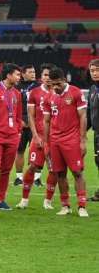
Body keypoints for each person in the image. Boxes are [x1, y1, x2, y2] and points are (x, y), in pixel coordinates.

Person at [43, 67, 89, 217]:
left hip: (72, 140)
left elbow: (83, 117)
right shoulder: (50, 97)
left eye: (58, 84)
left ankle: (82, 206)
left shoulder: (76, 92)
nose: (55, 88)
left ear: (64, 80)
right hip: (55, 140)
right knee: (59, 174)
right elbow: (47, 121)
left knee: (77, 172)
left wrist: (82, 140)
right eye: (52, 85)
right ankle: (65, 206)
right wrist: (46, 142)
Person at [16, 64, 57, 209]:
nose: (48, 78)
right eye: (45, 75)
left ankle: (48, 201)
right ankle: (24, 200)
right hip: (38, 136)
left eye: (50, 75)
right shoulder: (34, 93)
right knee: (32, 166)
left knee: (54, 170)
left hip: (55, 138)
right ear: (41, 77)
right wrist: (35, 135)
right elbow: (31, 117)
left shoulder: (59, 93)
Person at [0, 63, 23, 210]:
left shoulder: (17, 93)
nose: (19, 77)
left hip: (12, 137)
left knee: (5, 170)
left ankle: (0, 199)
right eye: (17, 74)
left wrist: (17, 131)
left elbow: (18, 115)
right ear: (8, 75)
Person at [14, 65, 38, 186]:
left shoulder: (39, 87)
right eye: (30, 72)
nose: (33, 74)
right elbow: (13, 107)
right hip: (21, 125)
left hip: (36, 124)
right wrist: (19, 121)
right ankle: (19, 177)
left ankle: (36, 177)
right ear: (23, 74)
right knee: (20, 151)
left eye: (34, 72)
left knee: (37, 151)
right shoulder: (16, 87)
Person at [88, 59, 99, 201]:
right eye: (92, 70)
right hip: (97, 133)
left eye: (97, 70)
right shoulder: (92, 89)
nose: (95, 73)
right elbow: (90, 113)